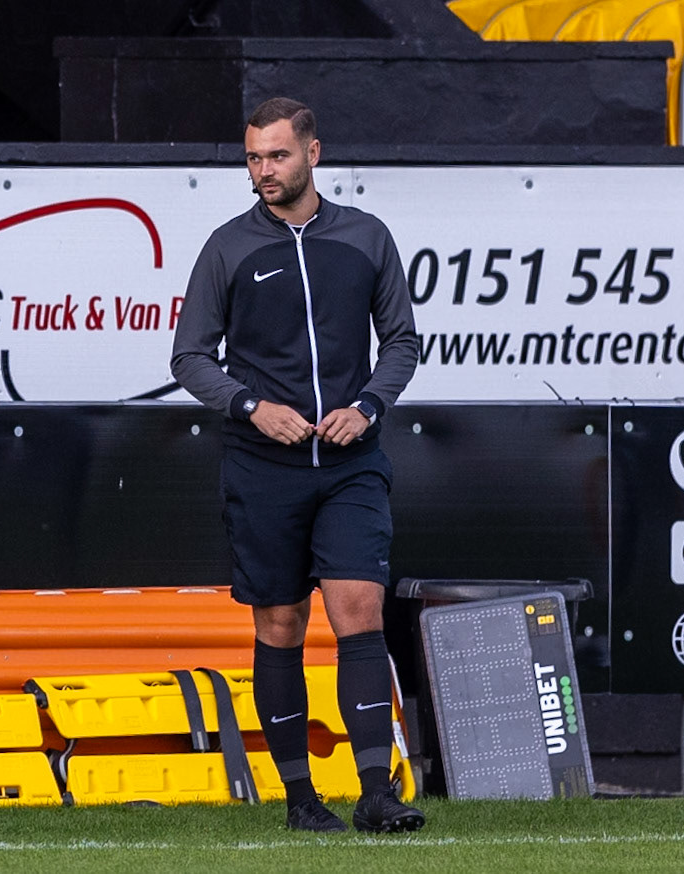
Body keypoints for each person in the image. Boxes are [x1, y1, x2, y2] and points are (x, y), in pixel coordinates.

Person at [170, 97, 423, 834]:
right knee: (280, 624)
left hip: (351, 463)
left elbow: (402, 341)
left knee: (359, 610)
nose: (262, 171)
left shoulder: (367, 237)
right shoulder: (228, 247)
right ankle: (300, 799)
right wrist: (251, 406)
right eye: (252, 158)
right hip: (263, 466)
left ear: (314, 153)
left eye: (276, 156)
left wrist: (370, 405)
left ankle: (376, 793)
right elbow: (189, 356)